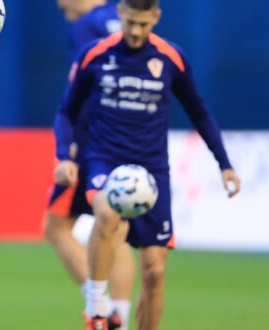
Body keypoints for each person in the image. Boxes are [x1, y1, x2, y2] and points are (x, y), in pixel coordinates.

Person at [53, 0, 241, 329]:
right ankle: (97, 308)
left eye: (144, 24)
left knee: (154, 271)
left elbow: (199, 111)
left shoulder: (171, 58)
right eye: (130, 23)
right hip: (103, 160)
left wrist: (224, 163)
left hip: (152, 172)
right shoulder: (95, 54)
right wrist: (64, 157)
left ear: (156, 18)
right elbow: (67, 110)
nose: (136, 31)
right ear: (121, 13)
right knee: (107, 212)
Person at [46, 1, 133, 329]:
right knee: (117, 230)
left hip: (92, 142)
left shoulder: (87, 25)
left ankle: (103, 308)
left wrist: (69, 150)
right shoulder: (123, 15)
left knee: (55, 227)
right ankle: (120, 320)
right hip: (131, 138)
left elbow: (83, 92)